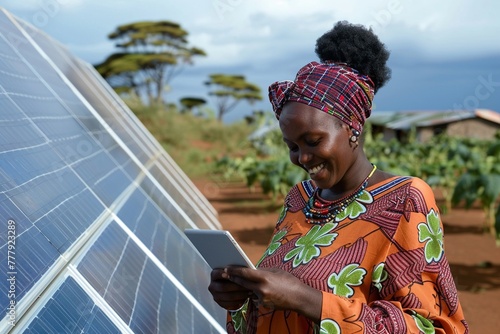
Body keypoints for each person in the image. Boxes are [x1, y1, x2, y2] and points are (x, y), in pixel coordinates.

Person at [208, 21, 468, 333]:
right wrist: (240, 295)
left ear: (352, 130)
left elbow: (430, 326)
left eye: (313, 142)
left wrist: (305, 299)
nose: (302, 159)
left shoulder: (404, 200)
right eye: (292, 146)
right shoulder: (299, 199)